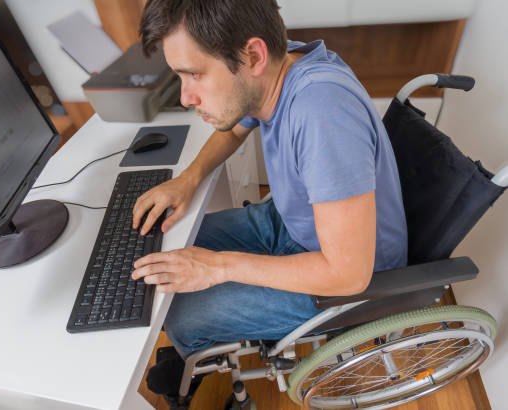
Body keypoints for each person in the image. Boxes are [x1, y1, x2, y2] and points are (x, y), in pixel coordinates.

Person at [130, 0, 408, 403]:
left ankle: (189, 355)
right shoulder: (277, 64)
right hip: (296, 223)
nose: (187, 97)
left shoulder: (321, 112)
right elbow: (234, 125)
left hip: (347, 276)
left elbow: (348, 276)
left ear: (253, 56)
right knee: (167, 244)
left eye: (194, 75)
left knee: (178, 312)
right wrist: (188, 180)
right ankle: (192, 346)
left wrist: (219, 266)